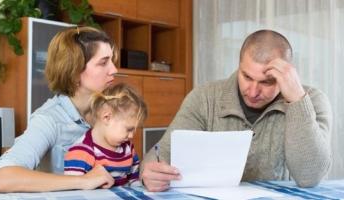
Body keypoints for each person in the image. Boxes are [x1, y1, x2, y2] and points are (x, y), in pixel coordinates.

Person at [141, 29, 332, 192]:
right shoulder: (204, 97)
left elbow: (310, 177)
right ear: (239, 66)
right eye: (247, 76)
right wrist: (148, 173)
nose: (254, 91)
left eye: (267, 82)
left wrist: (297, 100)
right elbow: (160, 154)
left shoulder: (313, 101)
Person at [0, 26, 119, 192]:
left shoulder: (113, 110)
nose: (114, 69)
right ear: (74, 72)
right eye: (103, 62)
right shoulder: (49, 119)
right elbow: (2, 178)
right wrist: (82, 181)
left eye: (112, 61)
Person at [64, 83, 147, 188]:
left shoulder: (128, 148)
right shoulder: (81, 151)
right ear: (107, 117)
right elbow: (73, 190)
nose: (131, 136)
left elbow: (134, 179)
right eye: (129, 129)